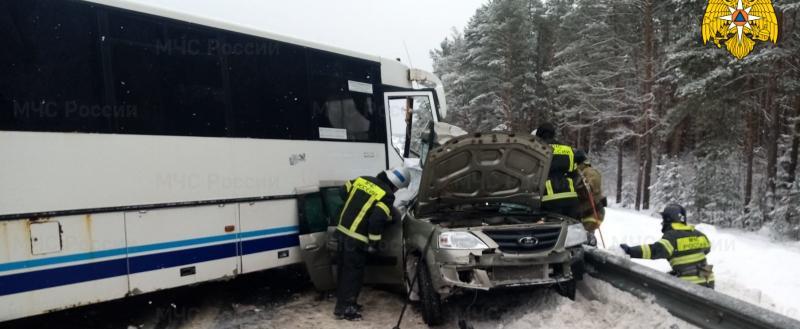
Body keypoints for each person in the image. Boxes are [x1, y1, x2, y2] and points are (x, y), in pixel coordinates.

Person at [334, 167, 411, 320]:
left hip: (341, 231)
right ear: (395, 186)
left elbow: (342, 192)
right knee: (353, 273)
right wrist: (374, 243)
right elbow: (376, 220)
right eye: (397, 189)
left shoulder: (362, 179)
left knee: (344, 270)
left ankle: (342, 304)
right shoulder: (386, 195)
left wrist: (356, 205)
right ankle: (346, 308)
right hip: (356, 238)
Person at [620, 204, 715, 289]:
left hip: (690, 286)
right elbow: (706, 249)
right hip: (708, 282)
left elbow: (655, 251)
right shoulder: (699, 234)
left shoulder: (672, 236)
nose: (662, 223)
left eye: (663, 219)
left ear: (668, 219)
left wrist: (630, 251)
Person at [533, 123, 579, 219]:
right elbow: (574, 173)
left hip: (548, 199)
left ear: (538, 135)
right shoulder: (568, 149)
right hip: (570, 197)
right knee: (571, 230)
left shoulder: (537, 148)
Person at [574, 150, 607, 234]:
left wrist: (578, 190)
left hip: (592, 213)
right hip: (587, 213)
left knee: (584, 239)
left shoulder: (589, 171)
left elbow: (592, 187)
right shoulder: (580, 172)